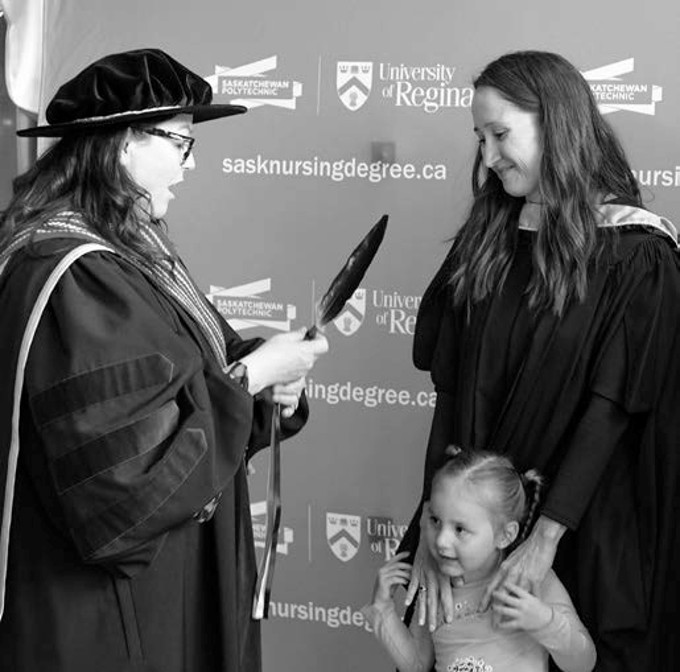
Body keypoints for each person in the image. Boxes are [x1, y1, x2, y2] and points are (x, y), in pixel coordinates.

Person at [0, 48, 328, 672]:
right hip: (105, 612)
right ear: (123, 144)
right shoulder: (77, 275)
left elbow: (180, 383)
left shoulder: (127, 252)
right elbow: (121, 490)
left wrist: (262, 379)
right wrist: (252, 378)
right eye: (179, 142)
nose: (190, 163)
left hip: (150, 587)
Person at [397, 50, 680, 672]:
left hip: (578, 529)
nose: (489, 156)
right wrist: (432, 520)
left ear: (558, 125)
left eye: (501, 134)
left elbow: (615, 411)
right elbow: (450, 391)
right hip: (472, 526)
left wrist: (545, 537)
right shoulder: (489, 236)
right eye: (481, 137)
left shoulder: (635, 255)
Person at [364, 449, 596, 672]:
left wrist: (544, 622)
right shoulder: (434, 584)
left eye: (460, 529)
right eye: (435, 520)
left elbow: (583, 662)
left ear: (505, 535)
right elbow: (416, 664)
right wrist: (382, 608)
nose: (441, 541)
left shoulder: (530, 579)